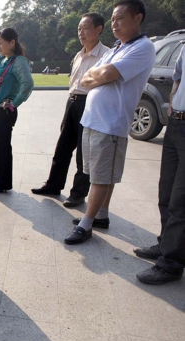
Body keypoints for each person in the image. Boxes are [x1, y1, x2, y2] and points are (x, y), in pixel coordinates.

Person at [64, 0, 155, 245]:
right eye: (113, 19)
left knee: (101, 177)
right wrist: (97, 76)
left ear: (137, 18)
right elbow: (89, 77)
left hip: (111, 123)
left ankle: (86, 224)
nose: (115, 23)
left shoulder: (143, 47)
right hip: (93, 119)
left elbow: (103, 74)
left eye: (120, 18)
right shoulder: (117, 48)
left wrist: (97, 76)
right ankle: (101, 214)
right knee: (95, 172)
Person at [32, 13, 110, 207]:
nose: (81, 33)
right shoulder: (79, 54)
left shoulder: (106, 55)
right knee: (63, 147)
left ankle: (78, 193)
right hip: (72, 102)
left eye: (85, 28)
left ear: (98, 29)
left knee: (84, 153)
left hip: (90, 104)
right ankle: (53, 184)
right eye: (79, 29)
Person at [135, 45, 185, 284]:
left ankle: (171, 263)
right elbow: (177, 76)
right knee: (166, 192)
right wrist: (174, 102)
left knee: (180, 201)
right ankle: (166, 244)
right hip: (176, 122)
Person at [0, 28, 34, 193]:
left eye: (1, 44)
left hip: (5, 111)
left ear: (12, 42)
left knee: (3, 147)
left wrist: (15, 102)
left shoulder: (18, 61)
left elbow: (28, 84)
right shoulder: (2, 60)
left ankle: (2, 183)